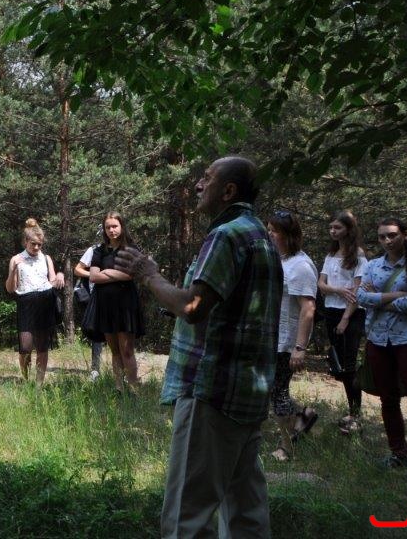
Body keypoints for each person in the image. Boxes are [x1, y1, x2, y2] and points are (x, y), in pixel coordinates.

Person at [114, 156, 281, 539]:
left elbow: (192, 307)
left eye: (207, 178)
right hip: (248, 394)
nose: (197, 185)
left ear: (228, 190)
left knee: (186, 518)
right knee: (246, 515)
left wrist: (149, 274)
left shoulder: (226, 236)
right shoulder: (260, 236)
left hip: (212, 392)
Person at [355, 217, 407, 472]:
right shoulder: (373, 265)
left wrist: (377, 299)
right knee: (388, 399)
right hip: (378, 339)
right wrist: (396, 296)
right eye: (382, 236)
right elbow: (360, 297)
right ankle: (398, 454)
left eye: (392, 235)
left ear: (405, 235)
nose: (387, 241)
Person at [265, 210, 320, 461]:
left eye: (274, 231)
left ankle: (287, 448)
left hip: (286, 342)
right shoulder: (280, 259)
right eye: (268, 229)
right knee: (272, 390)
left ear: (289, 235)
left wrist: (299, 347)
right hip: (272, 338)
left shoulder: (301, 266)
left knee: (278, 392)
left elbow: (308, 309)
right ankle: (304, 417)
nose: (269, 234)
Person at [318, 210, 368, 435]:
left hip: (351, 315)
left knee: (349, 365)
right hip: (331, 311)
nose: (333, 231)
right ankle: (352, 411)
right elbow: (321, 284)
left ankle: (355, 415)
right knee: (339, 364)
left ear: (348, 229)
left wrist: (346, 319)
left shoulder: (358, 255)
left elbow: (357, 291)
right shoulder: (331, 255)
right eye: (331, 227)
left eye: (337, 227)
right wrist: (338, 290)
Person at [85, 212, 145, 392]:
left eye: (114, 226)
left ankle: (133, 388)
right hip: (106, 305)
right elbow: (94, 277)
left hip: (126, 305)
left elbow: (131, 274)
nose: (111, 230)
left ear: (121, 226)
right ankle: (119, 388)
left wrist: (107, 272)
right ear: (104, 230)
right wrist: (118, 274)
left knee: (127, 350)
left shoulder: (131, 249)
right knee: (115, 350)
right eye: (108, 227)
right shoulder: (99, 250)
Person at [5, 218, 63, 385]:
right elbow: (10, 288)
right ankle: (25, 380)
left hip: (45, 301)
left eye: (39, 244)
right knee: (25, 347)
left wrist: (60, 275)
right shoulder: (16, 259)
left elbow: (52, 281)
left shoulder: (46, 258)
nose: (36, 247)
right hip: (26, 303)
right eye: (33, 244)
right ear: (25, 242)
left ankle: (38, 385)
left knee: (43, 346)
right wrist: (13, 270)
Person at [73, 241, 105, 381]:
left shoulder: (123, 249)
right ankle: (95, 369)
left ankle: (123, 372)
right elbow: (77, 270)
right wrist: (93, 275)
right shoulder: (94, 250)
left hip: (116, 296)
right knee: (97, 333)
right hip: (95, 296)